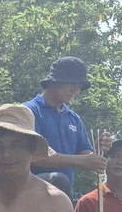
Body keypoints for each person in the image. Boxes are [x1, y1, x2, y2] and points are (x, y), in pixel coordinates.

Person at [24, 56, 111, 200]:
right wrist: (82, 160)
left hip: (62, 199)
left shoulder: (73, 118)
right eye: (72, 84)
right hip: (30, 197)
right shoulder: (30, 111)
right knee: (58, 179)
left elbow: (84, 156)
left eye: (79, 88)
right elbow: (33, 157)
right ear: (55, 81)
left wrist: (97, 151)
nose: (75, 91)